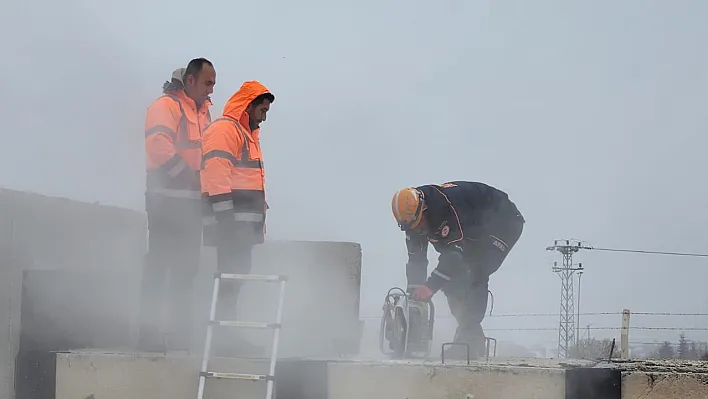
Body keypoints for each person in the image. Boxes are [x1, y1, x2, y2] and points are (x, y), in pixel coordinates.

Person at [391, 181, 525, 359]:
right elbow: (416, 260)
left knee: (477, 270)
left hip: (503, 221)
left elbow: (454, 257)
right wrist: (414, 294)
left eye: (420, 224)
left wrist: (429, 287)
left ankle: (469, 336)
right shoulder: (411, 223)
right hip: (473, 229)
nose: (419, 230)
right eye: (413, 228)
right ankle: (471, 334)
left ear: (423, 210)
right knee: (451, 279)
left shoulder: (443, 209)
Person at [138, 58, 216, 352]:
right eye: (207, 83)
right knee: (159, 266)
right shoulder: (166, 105)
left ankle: (181, 334)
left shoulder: (202, 112)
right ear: (191, 81)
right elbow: (158, 147)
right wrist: (190, 179)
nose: (211, 90)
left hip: (191, 206)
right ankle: (148, 336)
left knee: (187, 269)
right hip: (165, 201)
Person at [200, 80, 274, 357]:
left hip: (241, 224)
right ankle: (224, 338)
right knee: (230, 279)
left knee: (236, 277)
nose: (264, 116)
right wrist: (226, 220)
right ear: (249, 104)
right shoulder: (225, 130)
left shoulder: (247, 134)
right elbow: (216, 173)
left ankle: (228, 336)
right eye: (262, 109)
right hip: (230, 224)